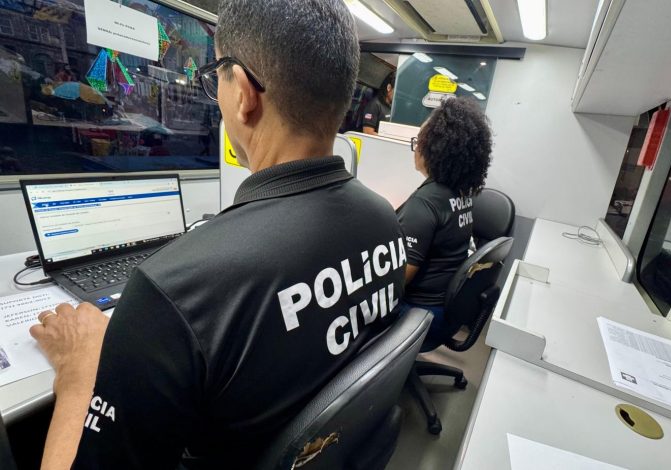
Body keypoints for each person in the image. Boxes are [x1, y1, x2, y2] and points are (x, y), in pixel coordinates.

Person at [29, 1, 407, 468]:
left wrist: (79, 373)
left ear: (244, 93)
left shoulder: (174, 290)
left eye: (217, 78)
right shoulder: (384, 219)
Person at [396, 97, 492, 340]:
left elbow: (396, 282)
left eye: (419, 142)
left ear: (433, 149)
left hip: (419, 316)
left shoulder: (424, 204)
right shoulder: (461, 194)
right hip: (447, 312)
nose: (416, 149)